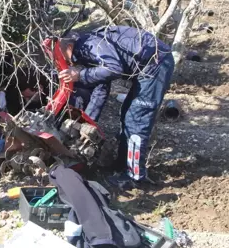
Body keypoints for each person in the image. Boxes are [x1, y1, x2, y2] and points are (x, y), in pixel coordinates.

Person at [57, 26, 175, 188]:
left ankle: (135, 177)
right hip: (145, 65)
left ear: (68, 48)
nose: (66, 63)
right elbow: (101, 89)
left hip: (156, 62)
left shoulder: (88, 46)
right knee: (127, 113)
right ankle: (122, 165)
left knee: (136, 119)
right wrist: (86, 123)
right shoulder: (86, 48)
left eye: (62, 57)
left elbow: (113, 68)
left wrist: (80, 75)